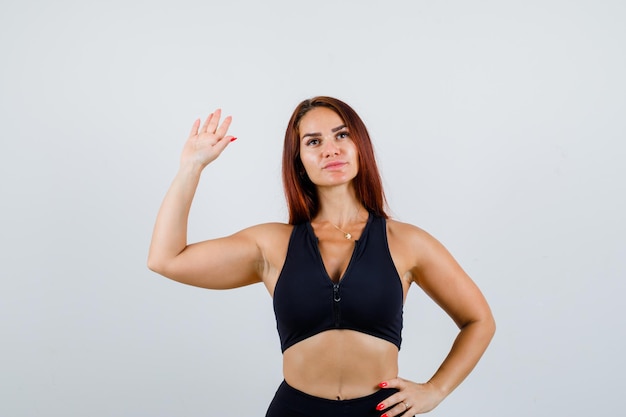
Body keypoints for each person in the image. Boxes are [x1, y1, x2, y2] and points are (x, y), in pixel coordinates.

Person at [147, 96, 495, 416]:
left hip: (382, 412)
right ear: (298, 161)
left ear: (360, 147)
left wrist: (435, 390)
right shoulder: (271, 244)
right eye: (313, 141)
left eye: (341, 136)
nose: (331, 150)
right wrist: (191, 167)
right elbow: (166, 259)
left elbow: (479, 321)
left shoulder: (407, 242)